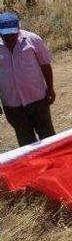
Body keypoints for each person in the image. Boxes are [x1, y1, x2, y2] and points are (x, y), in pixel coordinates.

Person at [0, 12, 56, 147]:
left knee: (48, 138)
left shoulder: (33, 40)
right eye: (5, 35)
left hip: (37, 100)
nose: (10, 38)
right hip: (12, 105)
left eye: (13, 34)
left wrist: (50, 89)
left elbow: (45, 65)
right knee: (26, 144)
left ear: (18, 29)